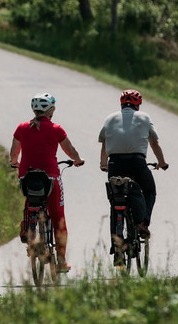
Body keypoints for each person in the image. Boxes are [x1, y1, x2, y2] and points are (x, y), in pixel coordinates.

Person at [9, 92, 84, 274]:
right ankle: (61, 261)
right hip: (50, 177)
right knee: (58, 217)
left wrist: (14, 162)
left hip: (26, 176)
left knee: (30, 200)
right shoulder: (56, 129)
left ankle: (27, 226)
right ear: (51, 110)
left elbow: (14, 152)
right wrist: (77, 160)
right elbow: (70, 150)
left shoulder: (22, 128)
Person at [98, 89, 169, 256]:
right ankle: (143, 223)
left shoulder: (109, 118)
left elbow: (105, 144)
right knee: (149, 191)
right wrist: (162, 163)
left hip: (115, 164)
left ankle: (116, 244)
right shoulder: (144, 117)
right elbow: (154, 143)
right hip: (137, 163)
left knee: (115, 200)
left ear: (121, 104)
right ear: (138, 105)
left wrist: (103, 164)